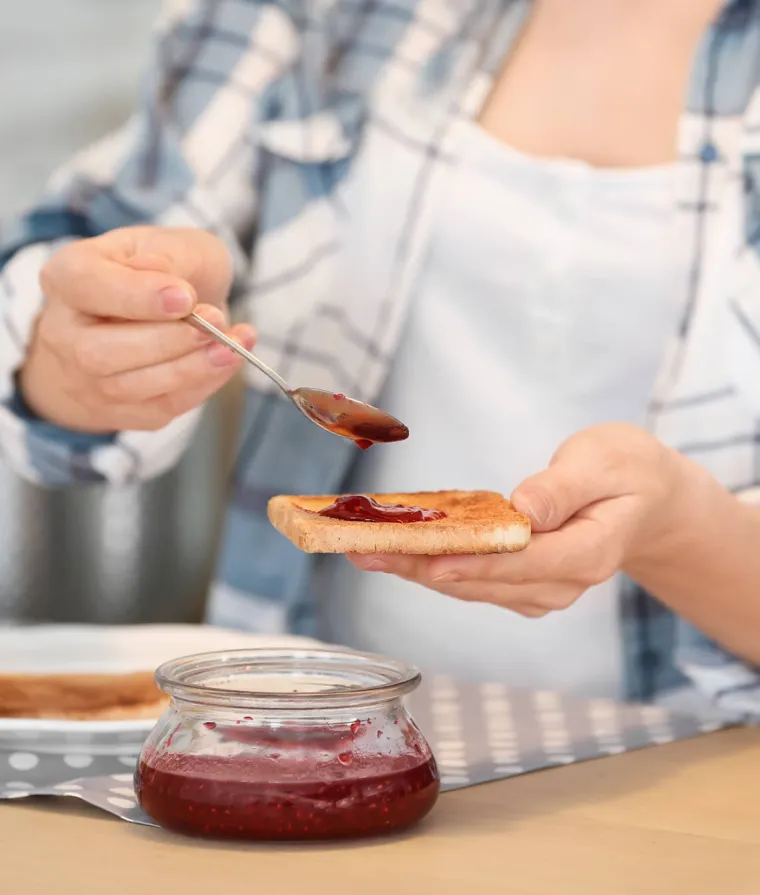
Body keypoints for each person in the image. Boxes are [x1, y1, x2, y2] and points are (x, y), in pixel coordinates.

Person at [2, 0, 760, 716]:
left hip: (694, 793)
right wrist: (77, 351)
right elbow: (81, 250)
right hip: (310, 741)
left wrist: (679, 529)